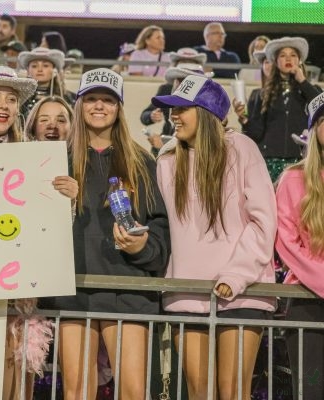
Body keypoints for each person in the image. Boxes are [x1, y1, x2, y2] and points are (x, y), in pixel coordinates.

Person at [43, 68, 169, 399]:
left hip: (127, 289)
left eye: (108, 100)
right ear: (80, 105)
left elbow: (159, 228)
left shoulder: (142, 161)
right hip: (75, 288)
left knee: (132, 391)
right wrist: (64, 206)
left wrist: (142, 247)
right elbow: (37, 228)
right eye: (92, 99)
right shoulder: (56, 160)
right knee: (76, 390)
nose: (100, 106)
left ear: (119, 108)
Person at [152, 75, 277, 400]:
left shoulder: (242, 148)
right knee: (198, 391)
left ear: (207, 113)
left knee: (233, 391)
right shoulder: (167, 158)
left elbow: (264, 221)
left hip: (242, 292)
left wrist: (236, 274)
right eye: (172, 109)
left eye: (182, 109)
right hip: (186, 291)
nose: (173, 116)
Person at [0, 65, 78, 400]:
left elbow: (46, 227)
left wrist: (67, 197)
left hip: (15, 291)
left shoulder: (34, 158)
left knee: (13, 381)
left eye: (11, 99)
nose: (3, 105)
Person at [276, 92, 324, 400]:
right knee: (311, 390)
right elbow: (288, 245)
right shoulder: (293, 180)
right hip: (307, 302)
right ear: (315, 128)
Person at [237, 37, 321, 181]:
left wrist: (302, 80)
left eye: (293, 55)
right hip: (269, 161)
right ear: (276, 62)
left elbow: (320, 108)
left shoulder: (311, 90)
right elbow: (256, 134)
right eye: (282, 55)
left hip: (301, 161)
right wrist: (244, 118)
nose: (288, 58)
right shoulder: (262, 94)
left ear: (300, 60)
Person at [140, 47, 209, 156]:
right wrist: (151, 116)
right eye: (180, 77)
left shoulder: (206, 97)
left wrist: (164, 148)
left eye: (190, 65)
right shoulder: (166, 89)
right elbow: (144, 116)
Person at [18, 47, 67, 121]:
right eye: (34, 66)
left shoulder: (66, 97)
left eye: (45, 65)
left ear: (54, 71)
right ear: (28, 71)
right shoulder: (19, 98)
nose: (40, 69)